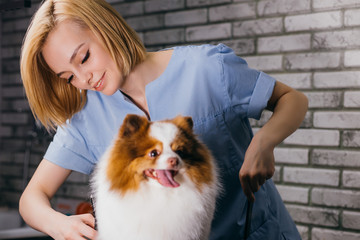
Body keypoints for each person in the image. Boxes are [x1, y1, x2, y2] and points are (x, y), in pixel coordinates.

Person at [19, 0, 308, 239]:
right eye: (68, 78)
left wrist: (264, 142)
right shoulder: (86, 117)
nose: (83, 79)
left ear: (106, 28)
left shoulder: (207, 70)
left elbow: (292, 99)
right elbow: (32, 198)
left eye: (83, 58)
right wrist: (60, 225)